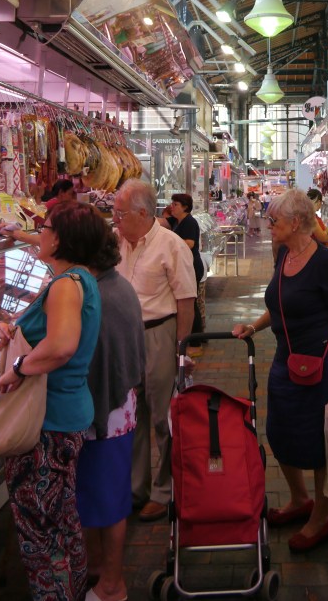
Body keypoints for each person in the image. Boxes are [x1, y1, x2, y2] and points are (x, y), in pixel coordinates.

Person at [232, 189, 328, 552]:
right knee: (279, 431)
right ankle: (299, 498)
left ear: (297, 222)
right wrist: (252, 327)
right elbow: (279, 305)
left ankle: (321, 516)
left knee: (320, 442)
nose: (269, 224)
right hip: (287, 360)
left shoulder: (325, 264)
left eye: (275, 220)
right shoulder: (283, 254)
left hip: (324, 364)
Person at [0, 202, 102, 601]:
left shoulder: (65, 285)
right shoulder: (78, 278)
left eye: (47, 227)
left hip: (47, 423)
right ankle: (71, 591)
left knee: (41, 531)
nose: (42, 231)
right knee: (60, 521)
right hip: (63, 414)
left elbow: (61, 347)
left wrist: (17, 367)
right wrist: (14, 332)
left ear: (61, 239)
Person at [113, 178, 197, 522]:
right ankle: (136, 488)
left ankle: (164, 492)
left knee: (163, 416)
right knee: (131, 417)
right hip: (124, 339)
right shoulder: (117, 242)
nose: (115, 220)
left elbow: (186, 300)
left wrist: (181, 349)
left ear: (142, 213)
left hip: (159, 335)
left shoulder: (171, 245)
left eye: (120, 214)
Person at [76, 220, 145, 601]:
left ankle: (112, 585)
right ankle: (98, 568)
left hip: (106, 415)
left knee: (107, 499)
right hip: (115, 410)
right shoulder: (114, 285)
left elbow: (100, 362)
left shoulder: (98, 295)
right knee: (101, 495)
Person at [169, 193, 205, 348]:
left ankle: (196, 340)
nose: (172, 206)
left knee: (191, 303)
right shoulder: (178, 222)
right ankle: (197, 337)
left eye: (176, 204)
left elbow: (190, 243)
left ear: (185, 207)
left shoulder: (189, 222)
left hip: (191, 266)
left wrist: (169, 244)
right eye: (172, 203)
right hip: (185, 266)